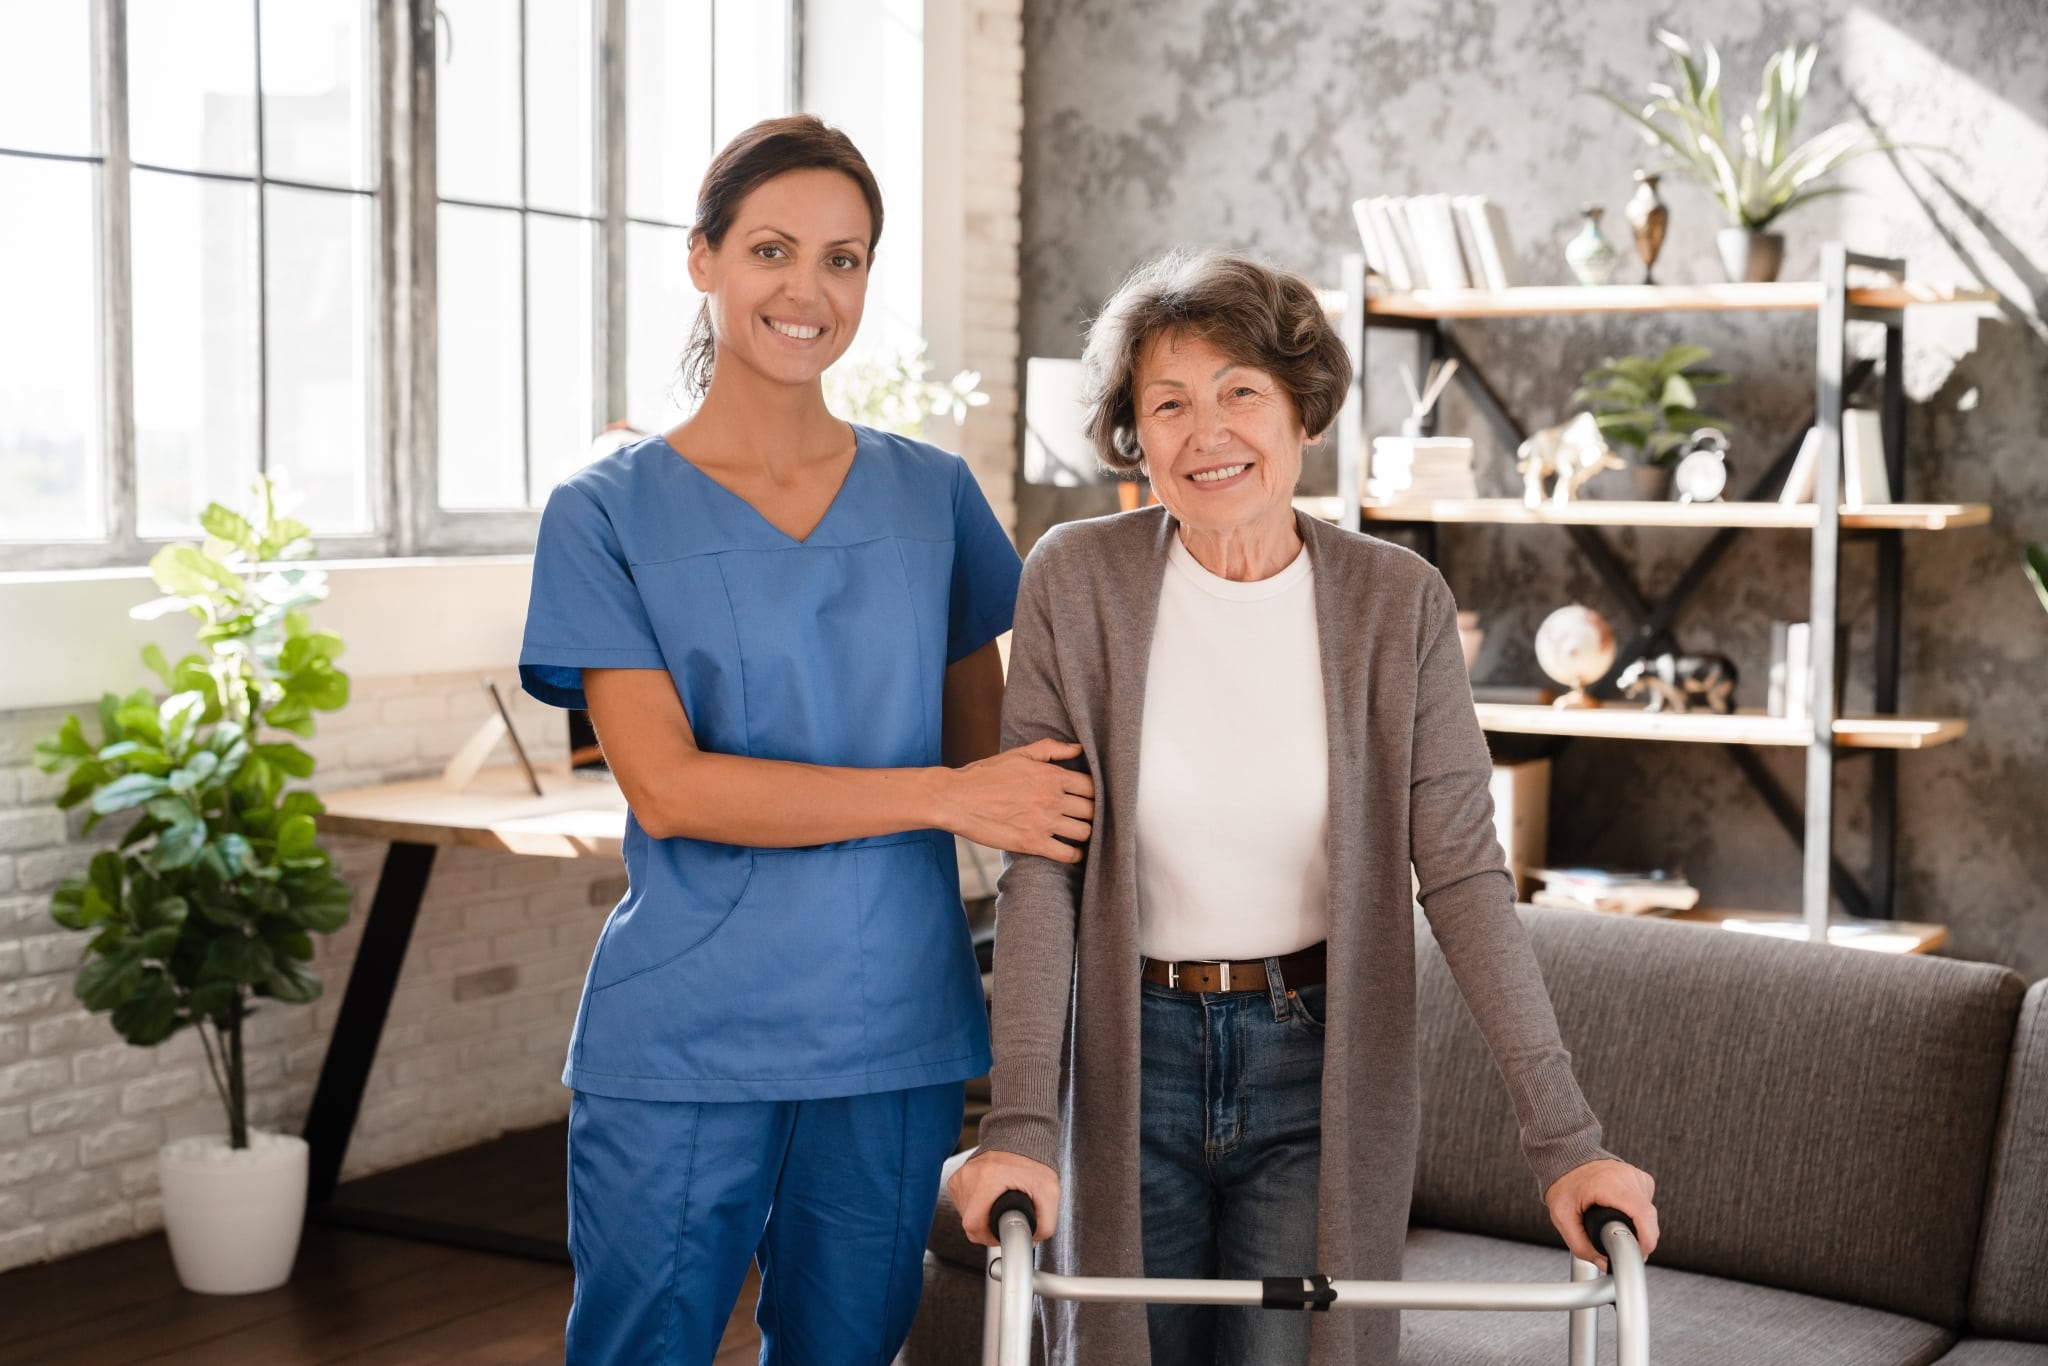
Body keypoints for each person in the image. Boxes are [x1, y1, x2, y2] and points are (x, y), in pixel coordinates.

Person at [948, 248, 1661, 1366]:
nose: (1207, 431)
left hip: (1313, 1063)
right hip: (1129, 1058)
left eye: (1240, 392)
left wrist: (1566, 1142)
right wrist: (1022, 1124)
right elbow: (1038, 867)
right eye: (1167, 404)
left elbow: (1466, 880)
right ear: (1135, 436)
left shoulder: (1395, 602)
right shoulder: (1074, 581)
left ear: (1301, 412)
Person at [518, 114, 1094, 1366]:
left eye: (844, 259)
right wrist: (944, 797)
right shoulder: (601, 514)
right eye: (772, 249)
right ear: (703, 259)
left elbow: (1007, 779)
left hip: (890, 1029)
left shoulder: (930, 496)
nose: (808, 289)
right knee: (638, 1347)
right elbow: (667, 790)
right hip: (683, 1026)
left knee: (848, 1348)